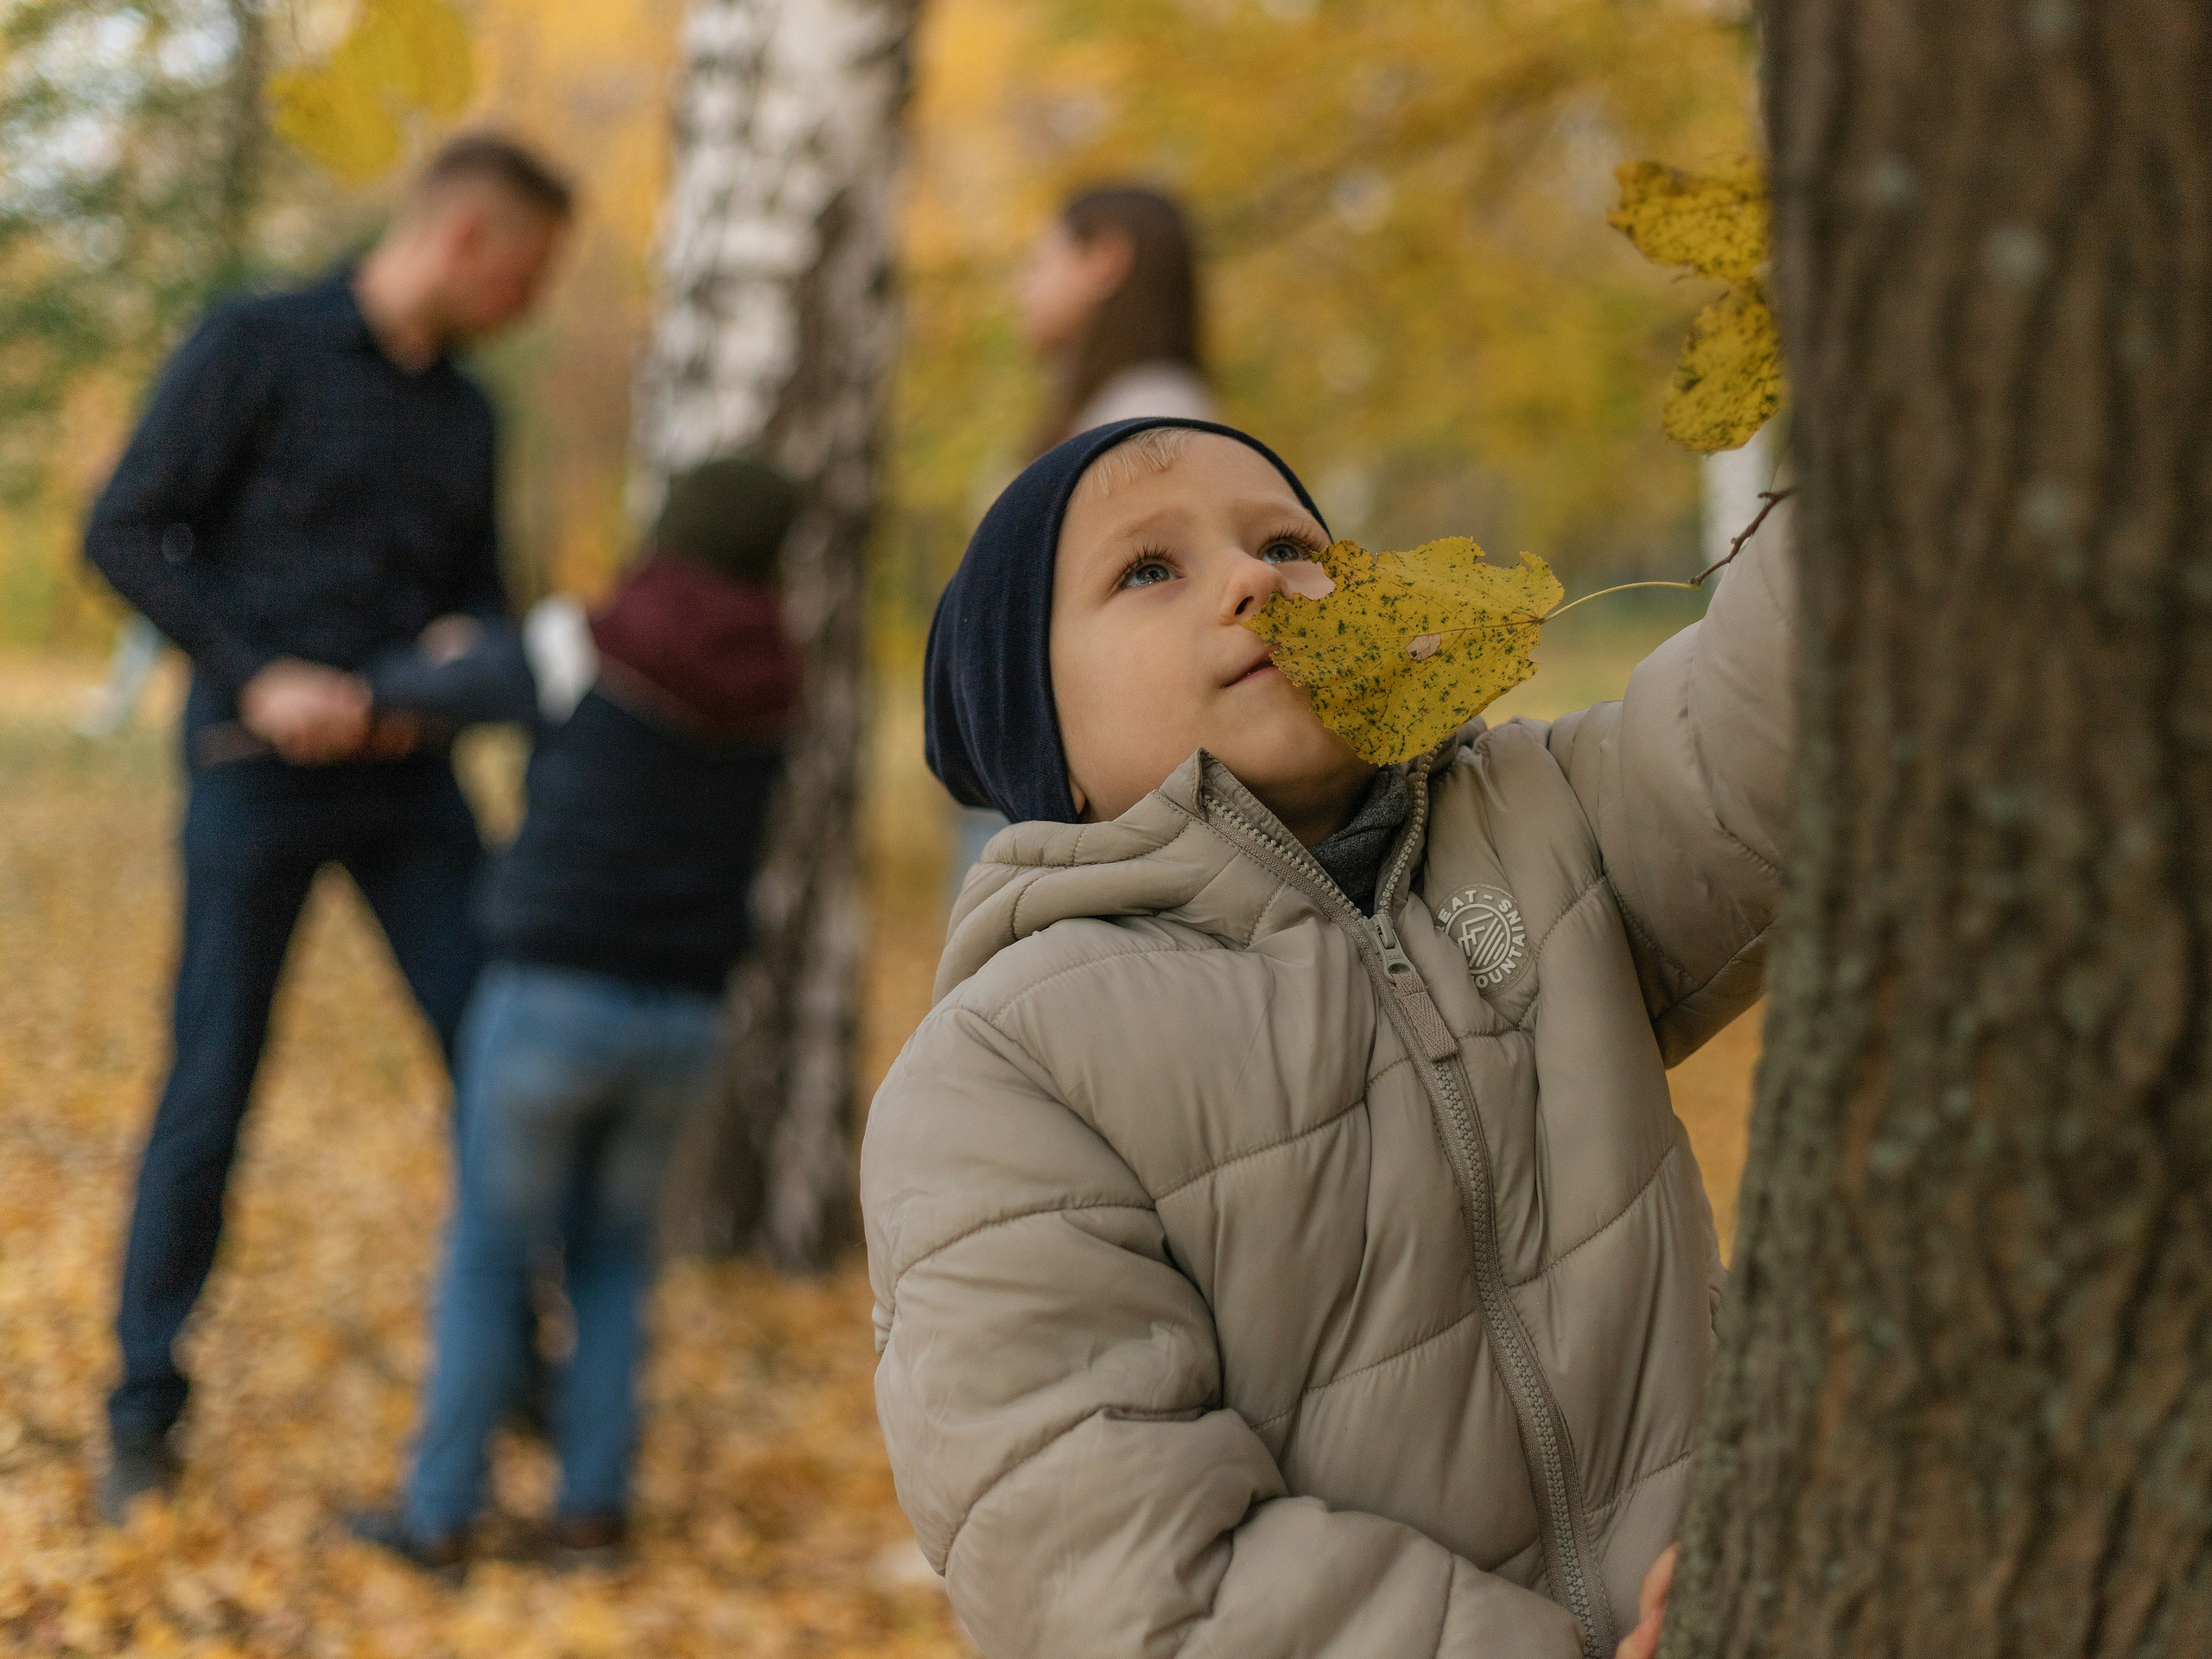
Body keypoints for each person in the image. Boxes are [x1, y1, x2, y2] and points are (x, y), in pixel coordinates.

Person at [865, 417, 1793, 1656]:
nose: (1255, 580)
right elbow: (1120, 1571)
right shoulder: (1003, 1073)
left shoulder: (1542, 822)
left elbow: (1761, 725)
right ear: (1044, 745)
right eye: (1150, 569)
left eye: (1291, 546)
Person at [82, 132, 574, 1524]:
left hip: (410, 789)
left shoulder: (469, 414)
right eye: (528, 275)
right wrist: (258, 676)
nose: (530, 304)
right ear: (466, 240)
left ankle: (520, 1363)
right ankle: (143, 1404)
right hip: (254, 778)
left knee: (498, 1054)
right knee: (211, 1083)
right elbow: (125, 530)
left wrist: (455, 667)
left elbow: (488, 603)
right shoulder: (253, 346)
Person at [344, 458, 803, 1577]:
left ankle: (440, 1517)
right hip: (686, 1016)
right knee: (612, 1264)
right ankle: (591, 1514)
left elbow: (438, 691)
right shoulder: (780, 684)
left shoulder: (590, 639)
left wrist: (413, 667)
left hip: (553, 994)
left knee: (490, 1258)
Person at [947, 185, 1222, 894]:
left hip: (1071, 801)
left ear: (1104, 260)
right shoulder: (1117, 416)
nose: (1024, 287)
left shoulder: (1146, 426)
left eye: (1040, 262)